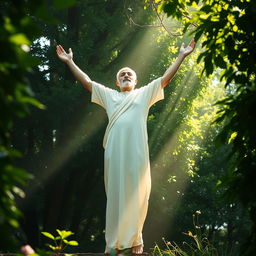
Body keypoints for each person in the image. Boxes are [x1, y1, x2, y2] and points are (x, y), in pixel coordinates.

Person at [56, 39, 195, 255]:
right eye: (122, 74)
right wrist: (69, 62)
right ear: (116, 82)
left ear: (136, 80)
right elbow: (88, 82)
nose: (126, 76)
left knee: (139, 193)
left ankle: (135, 240)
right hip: (114, 153)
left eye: (129, 74)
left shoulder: (144, 93)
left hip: (137, 152)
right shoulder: (110, 96)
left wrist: (181, 56)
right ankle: (113, 244)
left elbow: (165, 79)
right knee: (115, 196)